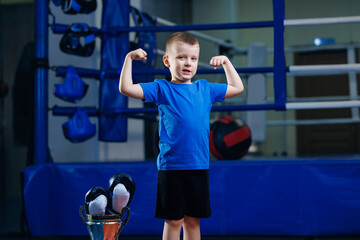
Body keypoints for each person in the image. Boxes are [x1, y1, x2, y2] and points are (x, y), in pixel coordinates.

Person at [119, 32, 244, 240]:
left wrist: (226, 63)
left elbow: (237, 87)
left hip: (198, 166)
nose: (188, 63)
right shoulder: (161, 88)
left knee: (193, 220)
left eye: (193, 58)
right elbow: (126, 88)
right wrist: (128, 59)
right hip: (172, 168)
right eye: (181, 57)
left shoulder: (204, 88)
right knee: (174, 221)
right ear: (167, 61)